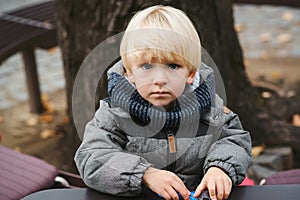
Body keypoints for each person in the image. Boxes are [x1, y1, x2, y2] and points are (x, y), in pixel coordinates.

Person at [75, 5, 251, 200]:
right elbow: (91, 157)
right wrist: (144, 174)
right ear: (130, 71)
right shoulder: (113, 114)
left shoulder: (211, 108)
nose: (159, 79)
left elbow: (233, 139)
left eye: (173, 66)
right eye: (147, 66)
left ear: (191, 73)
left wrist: (220, 167)